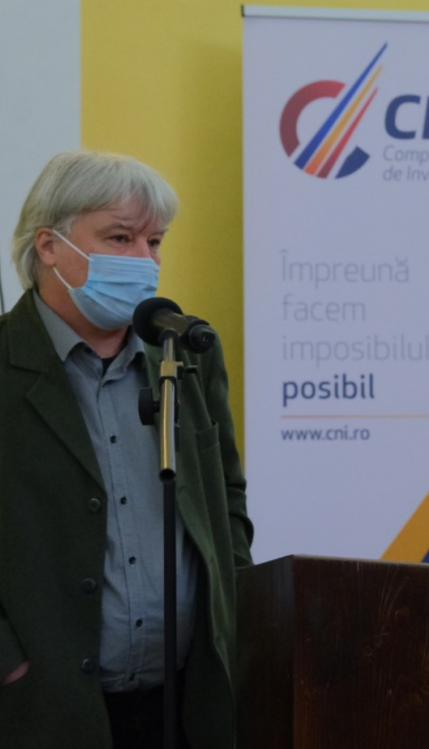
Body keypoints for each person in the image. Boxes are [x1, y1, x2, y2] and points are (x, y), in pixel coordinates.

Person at [0, 150, 254, 748]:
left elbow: (225, 497)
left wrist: (232, 623)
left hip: (188, 702)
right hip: (44, 708)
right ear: (49, 246)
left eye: (155, 241)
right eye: (120, 238)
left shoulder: (187, 354)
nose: (145, 260)